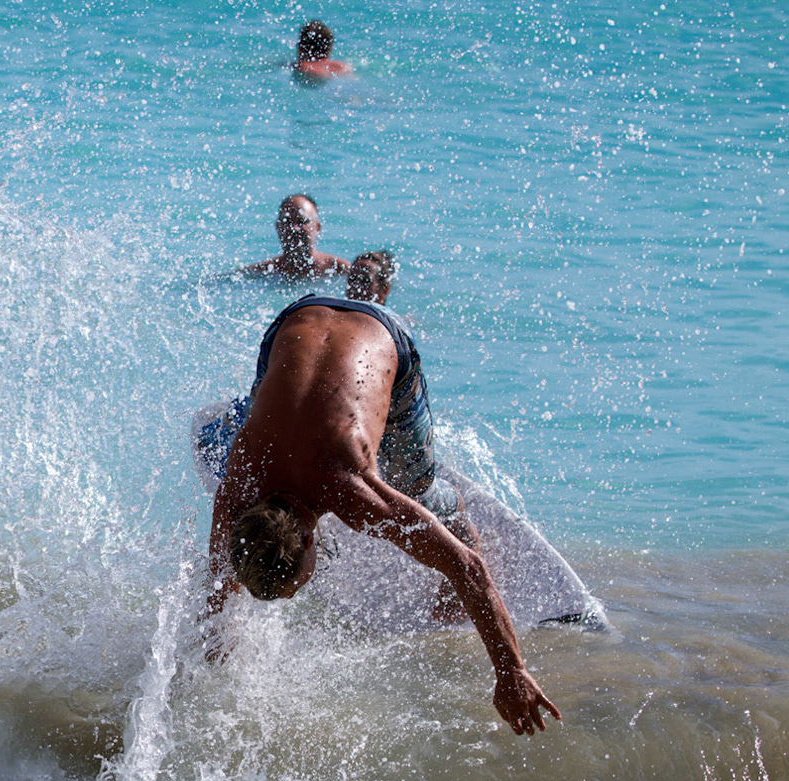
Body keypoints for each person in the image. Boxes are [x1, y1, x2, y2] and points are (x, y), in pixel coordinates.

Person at [195, 273, 561, 736]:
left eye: (295, 586)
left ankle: (454, 514)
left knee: (420, 488)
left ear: (309, 539)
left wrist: (511, 671)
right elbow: (217, 584)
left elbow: (467, 567)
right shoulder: (239, 483)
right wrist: (213, 667)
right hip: (295, 317)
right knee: (265, 418)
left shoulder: (351, 494)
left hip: (385, 333)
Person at [244, 195, 350, 281]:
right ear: (278, 227)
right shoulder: (261, 272)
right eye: (288, 222)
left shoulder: (342, 270)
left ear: (317, 228)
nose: (295, 228)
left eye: (302, 221)